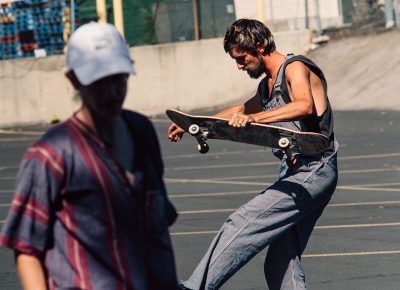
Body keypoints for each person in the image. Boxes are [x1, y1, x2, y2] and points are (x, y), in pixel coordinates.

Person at [0, 22, 179, 290]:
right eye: (99, 81)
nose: (112, 91)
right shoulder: (50, 155)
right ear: (73, 79)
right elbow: (27, 249)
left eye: (118, 78)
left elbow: (158, 230)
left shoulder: (142, 132)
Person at [168, 18, 339, 290]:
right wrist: (197, 124)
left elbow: (304, 105)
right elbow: (241, 110)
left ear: (259, 46)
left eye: (241, 57)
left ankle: (196, 288)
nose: (238, 65)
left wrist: (258, 118)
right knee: (280, 262)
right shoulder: (267, 85)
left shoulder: (295, 67)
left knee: (244, 220)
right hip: (296, 173)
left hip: (315, 169)